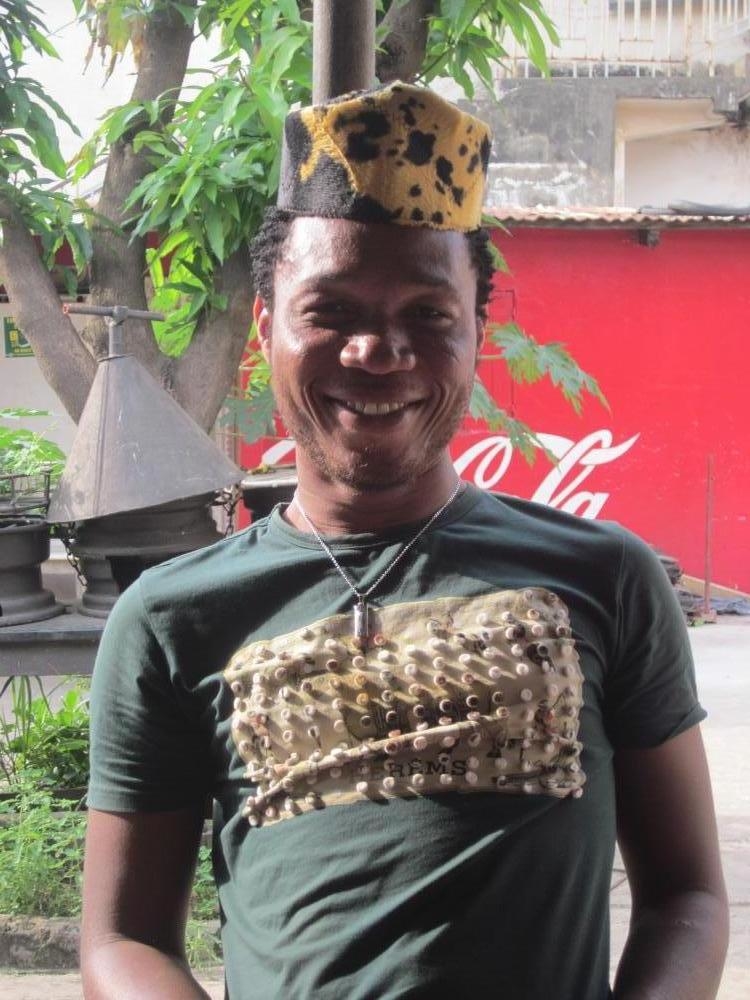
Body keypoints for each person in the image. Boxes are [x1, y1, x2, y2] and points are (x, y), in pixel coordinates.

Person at [81, 83, 728, 1000]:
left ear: (477, 333)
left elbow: (688, 896)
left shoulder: (605, 577)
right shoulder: (171, 617)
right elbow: (120, 939)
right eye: (329, 311)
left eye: (427, 313)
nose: (377, 351)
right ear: (266, 331)